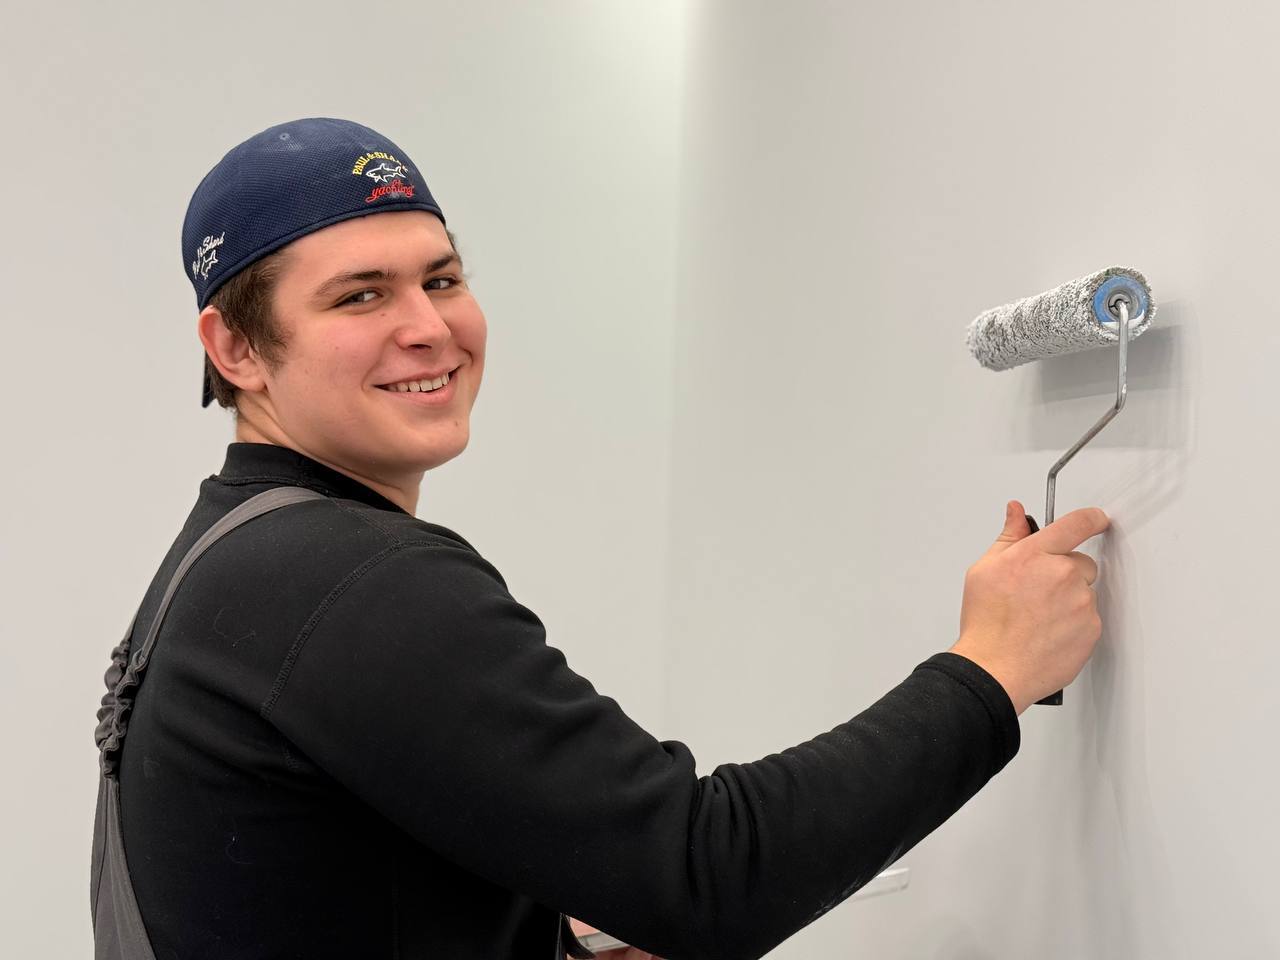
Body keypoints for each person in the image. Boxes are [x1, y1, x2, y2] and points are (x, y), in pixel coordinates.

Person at [91, 117, 1109, 960]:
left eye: (440, 279)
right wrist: (991, 669)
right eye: (360, 295)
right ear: (236, 347)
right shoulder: (350, 578)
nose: (429, 326)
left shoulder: (228, 552)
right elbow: (707, 874)